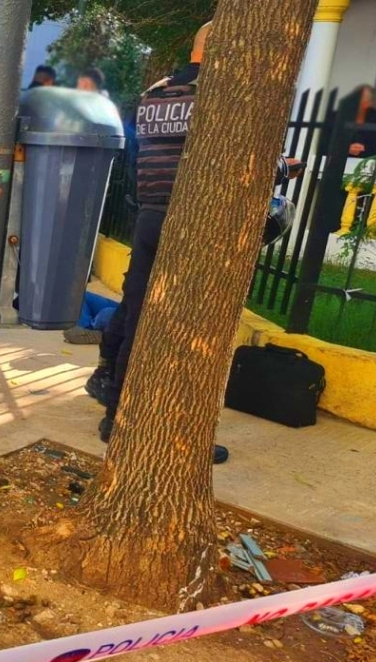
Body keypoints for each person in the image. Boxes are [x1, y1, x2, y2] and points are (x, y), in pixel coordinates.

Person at [86, 22, 229, 465]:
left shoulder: (156, 92)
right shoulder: (216, 96)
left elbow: (141, 150)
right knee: (186, 324)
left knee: (134, 310)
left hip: (149, 212)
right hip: (189, 219)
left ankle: (114, 404)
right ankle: (161, 424)